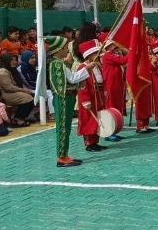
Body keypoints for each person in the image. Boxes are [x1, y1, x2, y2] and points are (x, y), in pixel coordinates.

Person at [46, 35, 94, 167]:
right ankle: (61, 157)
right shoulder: (57, 64)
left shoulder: (60, 63)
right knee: (62, 128)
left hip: (67, 98)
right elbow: (72, 79)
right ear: (58, 49)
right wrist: (87, 69)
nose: (67, 50)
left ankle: (64, 154)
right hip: (63, 98)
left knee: (66, 127)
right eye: (65, 48)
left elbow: (71, 78)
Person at [76, 39, 108, 152]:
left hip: (98, 96)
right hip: (89, 96)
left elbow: (102, 80)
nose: (97, 55)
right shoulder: (82, 67)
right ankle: (89, 143)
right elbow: (82, 85)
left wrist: (104, 91)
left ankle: (95, 141)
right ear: (89, 54)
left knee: (98, 118)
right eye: (95, 53)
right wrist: (85, 100)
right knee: (89, 119)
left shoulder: (97, 66)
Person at [0, 53, 34, 127]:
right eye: (11, 60)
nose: (15, 62)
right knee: (27, 98)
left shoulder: (8, 70)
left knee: (28, 97)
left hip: (5, 93)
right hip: (1, 95)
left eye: (15, 60)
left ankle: (20, 118)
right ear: (6, 61)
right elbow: (9, 88)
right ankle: (18, 119)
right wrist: (23, 90)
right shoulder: (2, 72)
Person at [17, 50, 54, 120]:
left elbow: (37, 79)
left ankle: (40, 113)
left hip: (35, 87)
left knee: (50, 94)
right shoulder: (21, 68)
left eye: (34, 58)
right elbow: (27, 82)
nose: (34, 59)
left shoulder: (32, 67)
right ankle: (52, 114)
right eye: (32, 58)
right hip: (27, 88)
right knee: (49, 93)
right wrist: (41, 86)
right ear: (26, 58)